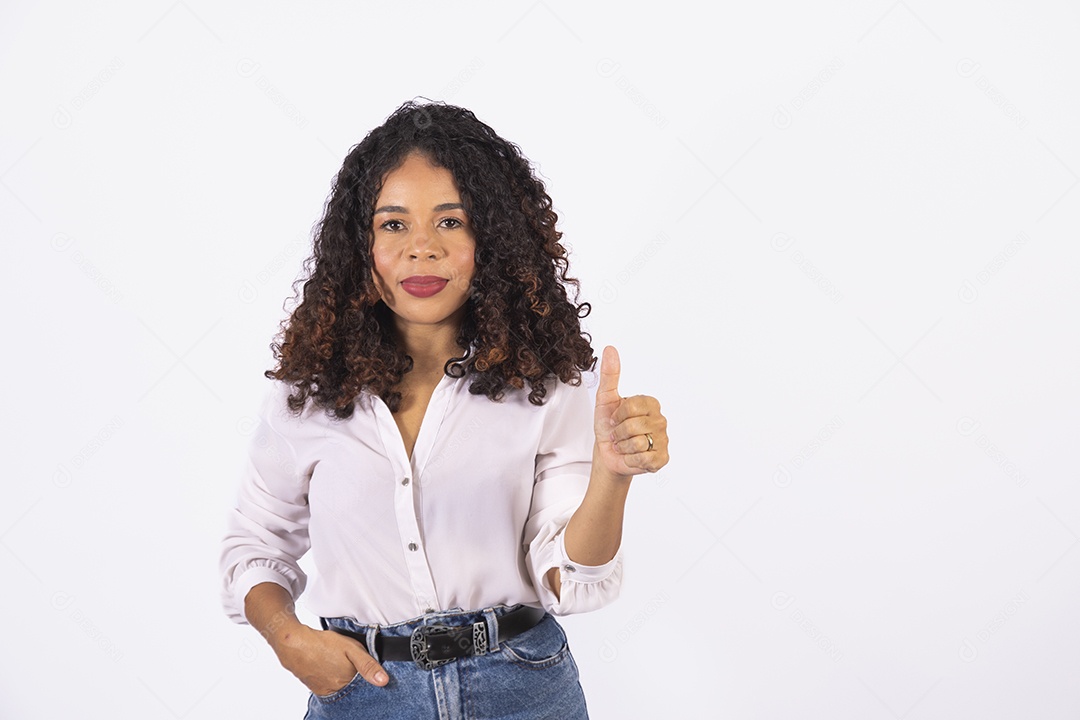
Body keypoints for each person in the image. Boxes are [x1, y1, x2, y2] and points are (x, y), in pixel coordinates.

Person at [218, 100, 670, 719]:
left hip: (520, 691)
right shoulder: (311, 392)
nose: (422, 249)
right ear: (360, 244)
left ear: (492, 239)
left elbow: (569, 581)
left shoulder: (547, 385)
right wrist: (288, 640)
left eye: (451, 222)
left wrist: (612, 478)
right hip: (362, 694)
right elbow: (254, 542)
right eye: (393, 224)